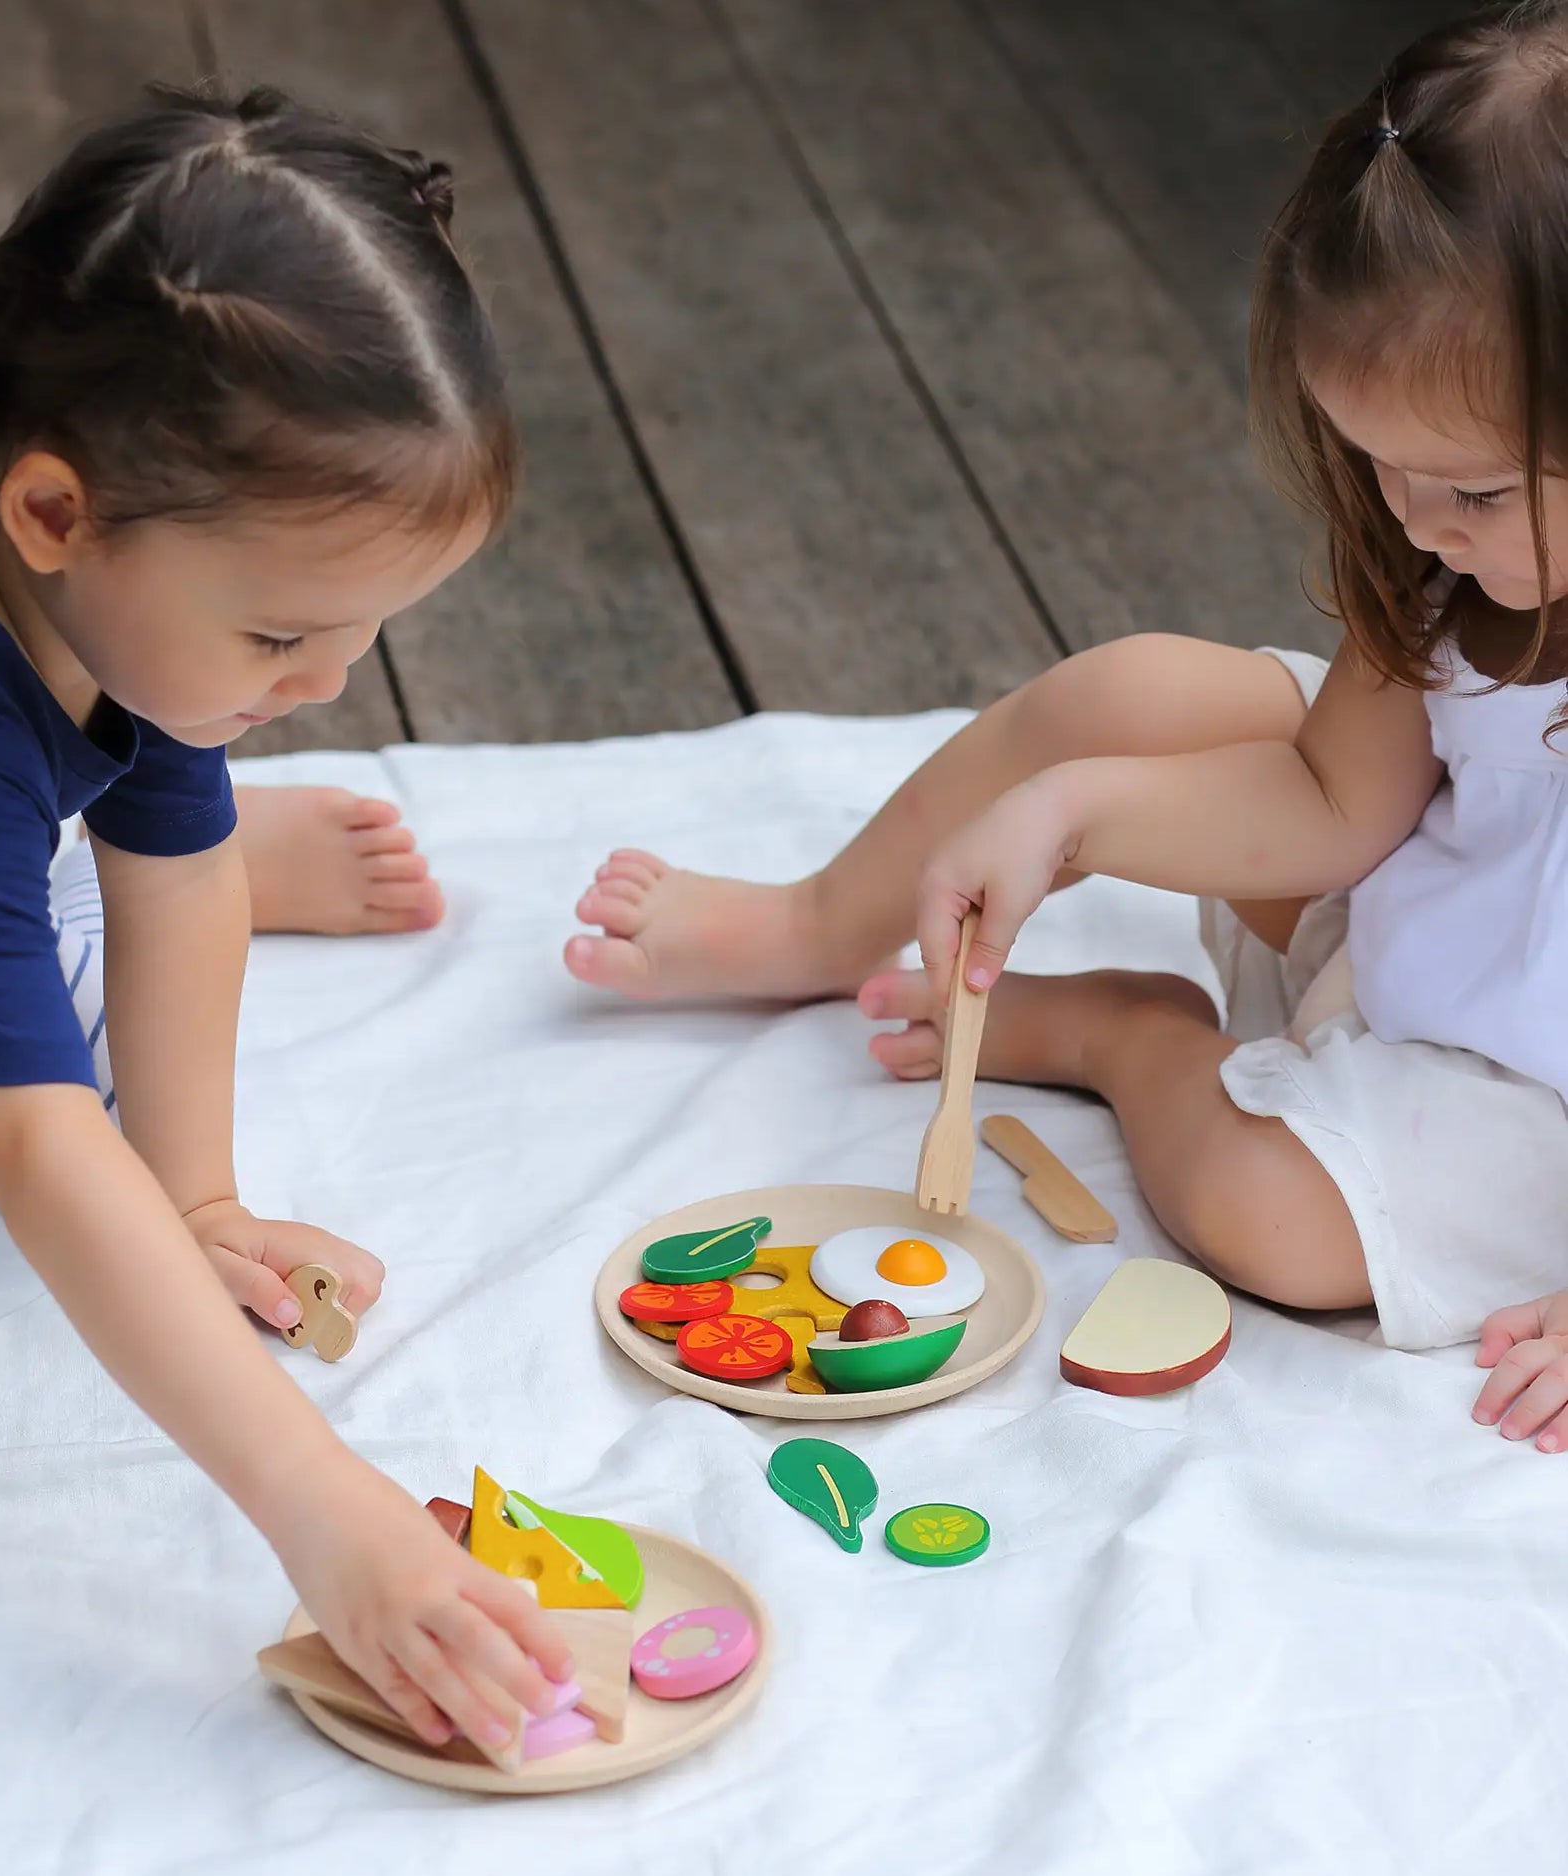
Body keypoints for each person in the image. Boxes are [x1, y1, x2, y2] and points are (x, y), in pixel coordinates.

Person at [565, 3, 1568, 1452]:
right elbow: (1335, 800)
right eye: (1373, 463)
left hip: (1524, 1099)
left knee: (1262, 1219)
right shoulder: (1458, 557)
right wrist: (1074, 810)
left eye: (1467, 491)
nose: (1412, 521)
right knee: (1127, 701)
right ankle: (810, 923)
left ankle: (1130, 1037)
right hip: (1441, 914)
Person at [0, 84, 571, 1746]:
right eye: (276, 642)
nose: (326, 685)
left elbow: (169, 854)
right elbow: (41, 1153)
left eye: (360, 640)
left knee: (116, 909)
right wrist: (324, 1508)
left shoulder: (90, 509)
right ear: (51, 519)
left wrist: (200, 1198)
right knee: (16, 1067)